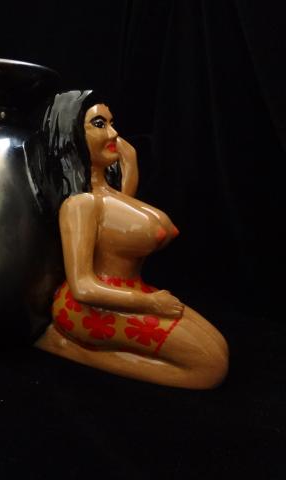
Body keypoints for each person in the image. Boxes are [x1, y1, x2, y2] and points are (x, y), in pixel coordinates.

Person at [34, 90, 228, 389]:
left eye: (112, 123)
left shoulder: (110, 195)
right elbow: (83, 286)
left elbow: (122, 219)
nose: (113, 133)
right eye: (99, 124)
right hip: (88, 307)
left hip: (129, 293)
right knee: (210, 367)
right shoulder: (80, 205)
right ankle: (68, 348)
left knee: (218, 347)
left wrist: (130, 160)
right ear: (72, 134)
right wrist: (149, 303)